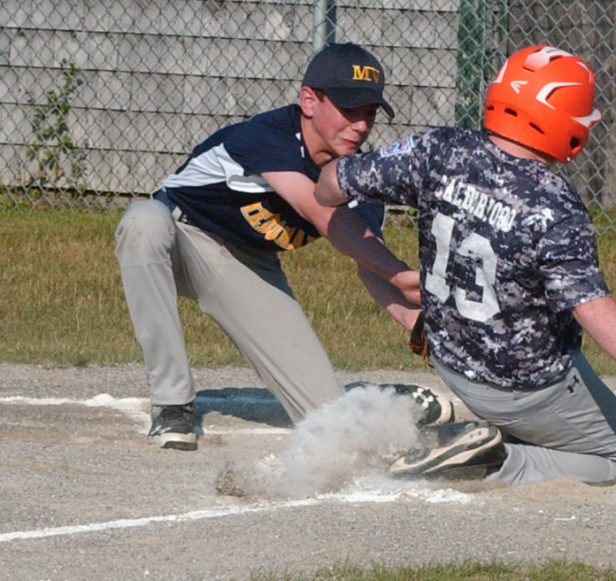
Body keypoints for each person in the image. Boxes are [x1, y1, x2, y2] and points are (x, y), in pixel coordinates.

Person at [314, 45, 616, 486]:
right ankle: (492, 461)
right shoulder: (555, 204)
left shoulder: (438, 148)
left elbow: (330, 187)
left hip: (449, 359)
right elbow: (590, 305)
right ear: (563, 121)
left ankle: (458, 424)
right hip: (525, 385)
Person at [115, 42, 449, 452]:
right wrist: (401, 274)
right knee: (142, 222)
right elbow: (320, 212)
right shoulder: (268, 136)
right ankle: (172, 404)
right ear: (309, 100)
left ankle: (388, 400)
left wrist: (416, 322)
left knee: (327, 421)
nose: (361, 125)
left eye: (370, 113)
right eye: (349, 109)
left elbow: (367, 259)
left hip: (246, 267)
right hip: (179, 240)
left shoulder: (360, 175)